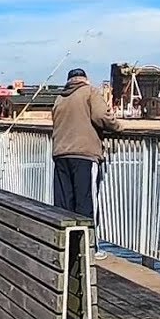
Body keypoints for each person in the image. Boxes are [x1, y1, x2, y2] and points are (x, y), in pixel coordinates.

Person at [51, 68, 121, 260]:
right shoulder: (90, 92)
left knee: (64, 204)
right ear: (85, 79)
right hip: (84, 154)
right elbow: (101, 116)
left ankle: (67, 249)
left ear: (69, 81)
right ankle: (91, 248)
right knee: (86, 202)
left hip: (60, 154)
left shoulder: (60, 98)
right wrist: (118, 126)